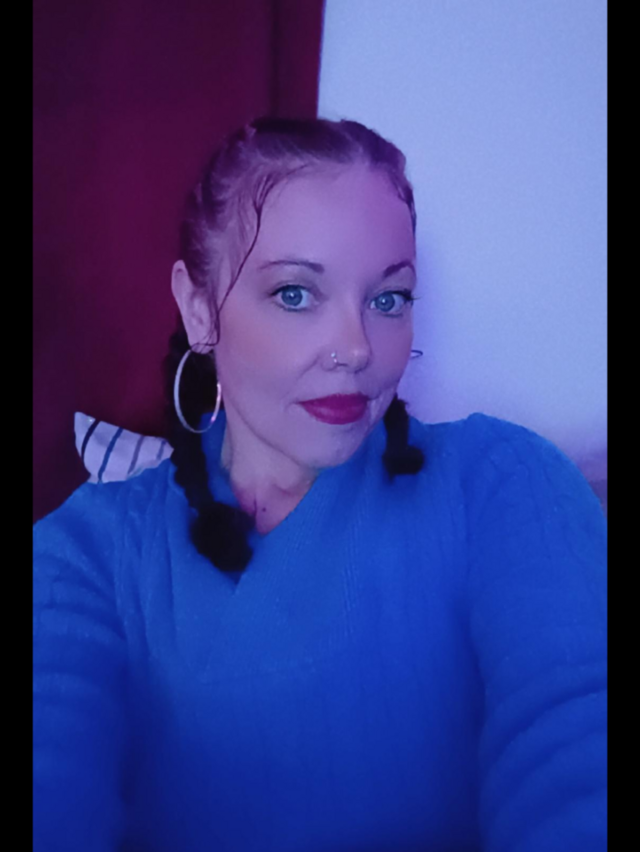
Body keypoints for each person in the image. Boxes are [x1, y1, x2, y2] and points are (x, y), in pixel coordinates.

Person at [33, 116, 607, 852]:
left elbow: (578, 744)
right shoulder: (86, 556)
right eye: (295, 294)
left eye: (389, 298)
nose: (356, 349)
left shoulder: (504, 485)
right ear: (199, 308)